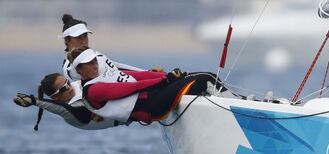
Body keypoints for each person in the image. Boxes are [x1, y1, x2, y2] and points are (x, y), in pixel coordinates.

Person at [68, 46, 234, 124]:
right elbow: (130, 88)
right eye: (88, 64)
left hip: (153, 94)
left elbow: (138, 76)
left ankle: (236, 103)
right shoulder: (93, 90)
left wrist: (166, 75)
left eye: (93, 60)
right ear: (79, 70)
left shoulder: (103, 74)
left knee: (208, 75)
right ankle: (235, 108)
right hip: (150, 106)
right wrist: (166, 80)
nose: (94, 65)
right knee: (204, 79)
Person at [14, 73, 128, 130]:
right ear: (55, 97)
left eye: (67, 82)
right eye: (63, 88)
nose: (69, 87)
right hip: (128, 113)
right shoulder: (72, 113)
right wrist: (35, 101)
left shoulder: (77, 84)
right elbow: (60, 109)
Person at [59, 14, 146, 81]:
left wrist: (148, 72)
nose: (84, 41)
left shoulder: (94, 54)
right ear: (67, 40)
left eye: (85, 36)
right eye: (78, 37)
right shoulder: (70, 67)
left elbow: (117, 67)